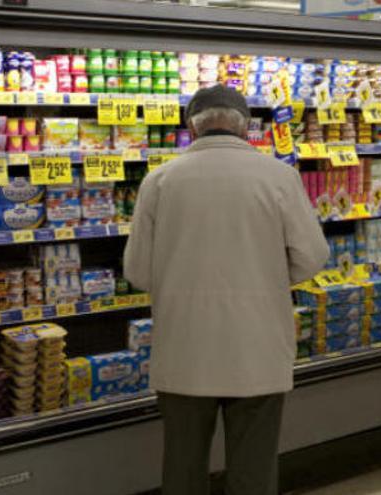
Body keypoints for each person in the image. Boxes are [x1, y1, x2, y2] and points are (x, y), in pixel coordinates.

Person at [123, 85, 329, 495]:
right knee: (253, 468)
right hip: (258, 347)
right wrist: (263, 276)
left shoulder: (160, 180)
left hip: (184, 348)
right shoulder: (280, 176)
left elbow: (138, 271)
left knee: (182, 466)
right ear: (247, 127)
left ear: (191, 128)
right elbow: (313, 257)